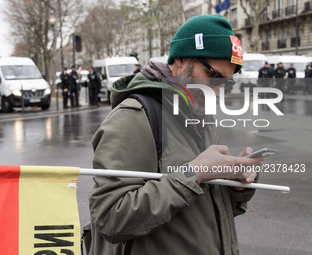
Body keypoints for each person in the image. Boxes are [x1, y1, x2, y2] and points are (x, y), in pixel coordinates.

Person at [89, 15, 262, 255]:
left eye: (227, 83)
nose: (218, 94)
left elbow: (201, 210)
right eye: (214, 77)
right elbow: (109, 219)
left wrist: (235, 186)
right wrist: (194, 174)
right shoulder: (134, 116)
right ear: (180, 59)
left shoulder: (198, 116)